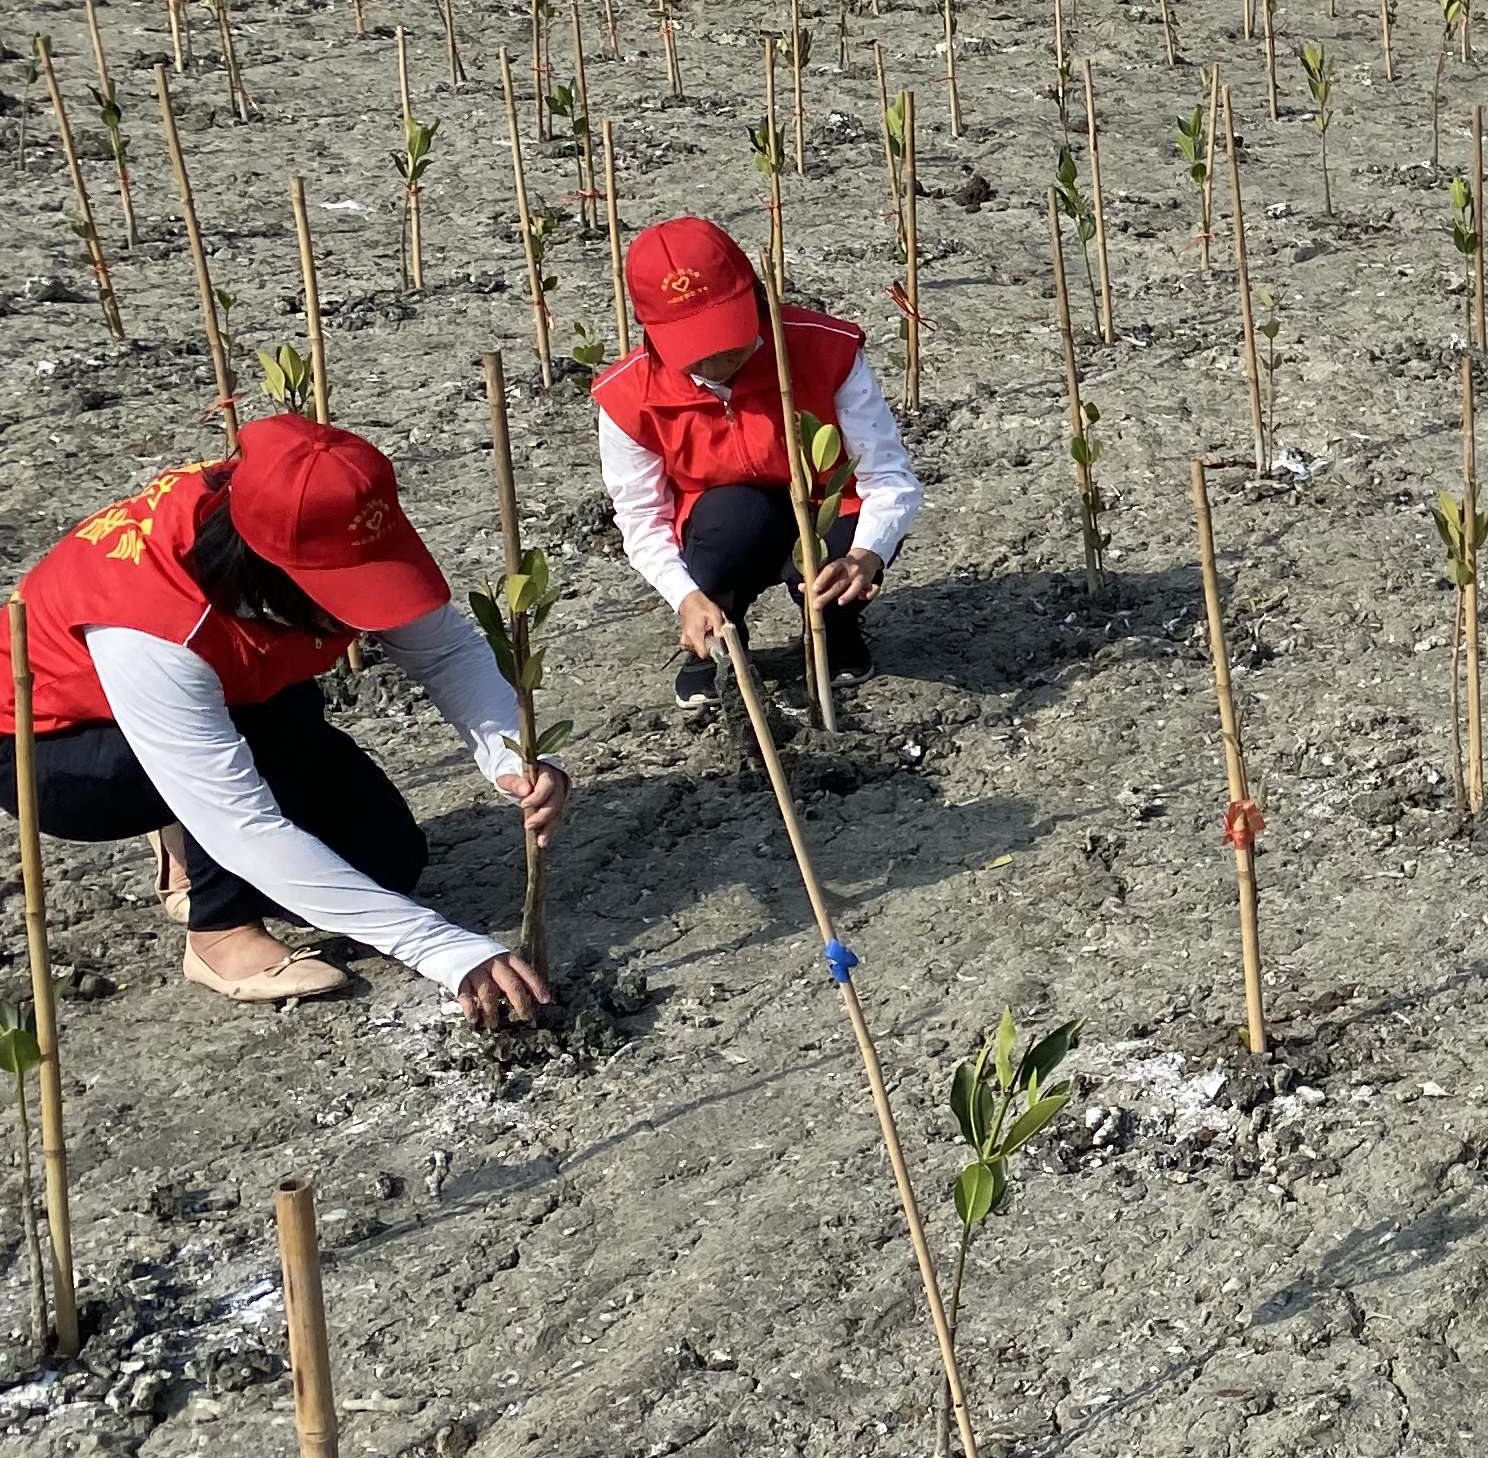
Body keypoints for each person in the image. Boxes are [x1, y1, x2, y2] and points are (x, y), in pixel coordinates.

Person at [15, 415, 567, 1022]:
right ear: (266, 567)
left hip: (245, 702)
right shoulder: (150, 625)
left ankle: (185, 820)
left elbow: (444, 650)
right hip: (54, 750)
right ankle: (219, 933)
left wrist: (515, 757)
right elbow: (241, 825)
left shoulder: (339, 517)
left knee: (388, 864)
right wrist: (441, 948)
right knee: (243, 753)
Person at [593, 215, 924, 710]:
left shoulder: (824, 348)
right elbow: (642, 516)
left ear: (755, 297)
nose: (714, 362)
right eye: (692, 351)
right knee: (732, 520)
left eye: (726, 338)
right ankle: (716, 638)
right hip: (723, 525)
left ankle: (835, 633)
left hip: (826, 510)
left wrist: (866, 556)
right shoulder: (627, 397)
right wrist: (685, 595)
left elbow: (888, 479)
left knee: (836, 549)